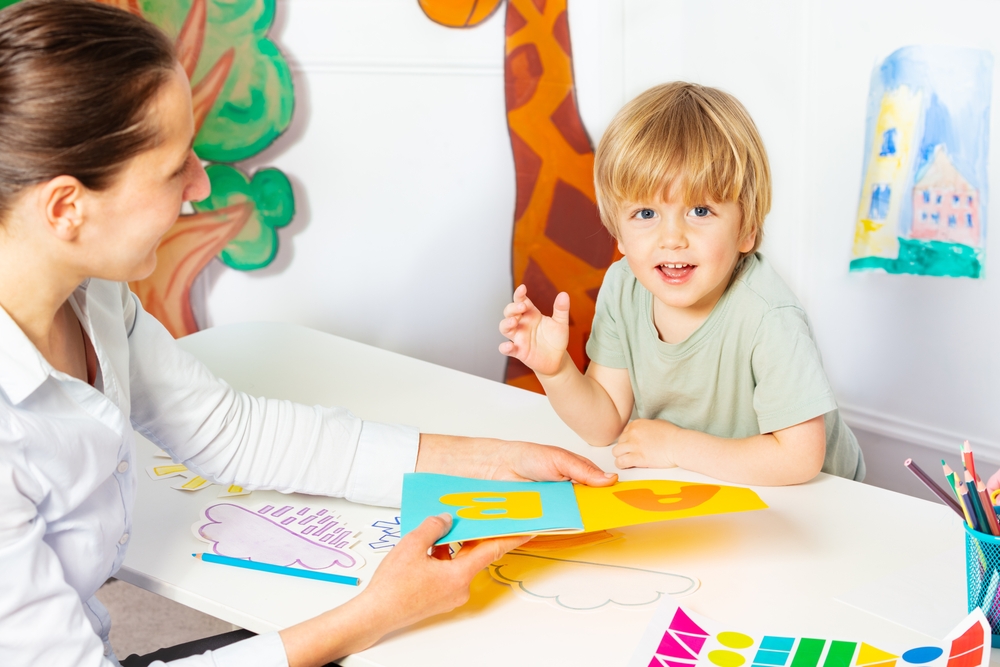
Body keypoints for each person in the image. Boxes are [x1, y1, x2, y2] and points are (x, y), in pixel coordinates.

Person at [0, 1, 616, 665]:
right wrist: (377, 612)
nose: (202, 185)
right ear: (66, 207)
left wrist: (492, 461)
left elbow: (232, 433)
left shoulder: (93, 295)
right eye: (174, 167)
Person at [499, 82, 865, 486]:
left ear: (747, 229)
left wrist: (674, 446)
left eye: (700, 209)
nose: (671, 237)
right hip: (715, 487)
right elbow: (603, 424)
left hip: (823, 503)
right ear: (618, 233)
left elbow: (799, 458)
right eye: (645, 213)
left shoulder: (768, 315)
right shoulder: (624, 287)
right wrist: (557, 372)